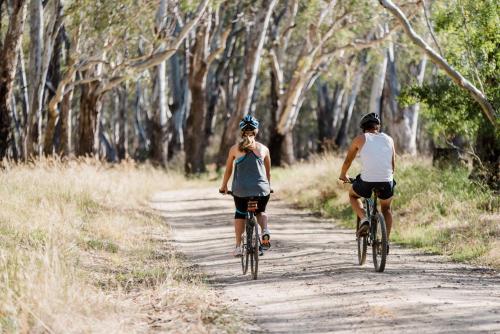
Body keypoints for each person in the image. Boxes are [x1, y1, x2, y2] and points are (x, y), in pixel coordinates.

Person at [339, 113, 396, 250]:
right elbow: (393, 164)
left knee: (353, 195)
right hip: (386, 180)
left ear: (363, 128)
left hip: (367, 181)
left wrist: (343, 174)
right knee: (386, 208)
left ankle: (364, 219)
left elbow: (348, 161)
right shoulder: (389, 139)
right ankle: (385, 242)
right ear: (378, 126)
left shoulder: (360, 139)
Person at [220, 115, 272, 257]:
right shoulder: (264, 149)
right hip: (262, 190)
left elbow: (228, 171)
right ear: (256, 131)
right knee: (260, 212)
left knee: (240, 213)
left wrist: (224, 186)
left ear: (242, 132)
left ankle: (238, 246)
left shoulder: (234, 149)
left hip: (241, 190)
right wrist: (269, 187)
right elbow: (268, 173)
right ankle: (265, 230)